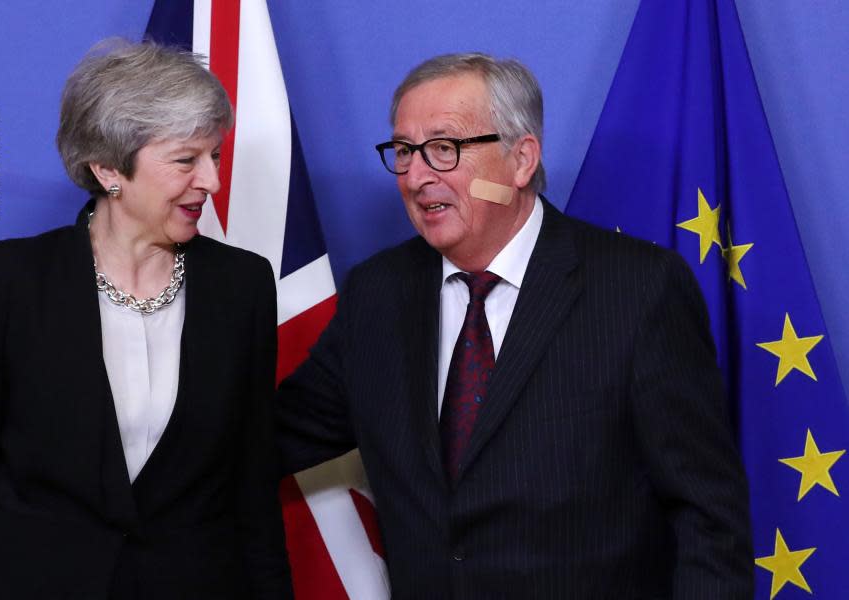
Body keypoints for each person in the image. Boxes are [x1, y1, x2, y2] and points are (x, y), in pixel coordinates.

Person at [275, 53, 753, 598]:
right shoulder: (376, 294)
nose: (416, 176)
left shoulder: (638, 289)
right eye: (404, 151)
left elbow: (708, 517)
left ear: (522, 159)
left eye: (443, 148)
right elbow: (271, 436)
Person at [0, 41, 292, 600]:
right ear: (108, 167)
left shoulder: (243, 285)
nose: (211, 180)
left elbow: (252, 493)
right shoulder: (8, 282)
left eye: (214, 156)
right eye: (186, 160)